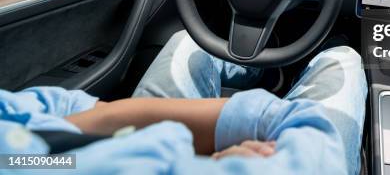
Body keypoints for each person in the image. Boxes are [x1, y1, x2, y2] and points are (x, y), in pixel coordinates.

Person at [0, 31, 367, 175]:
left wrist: (94, 123)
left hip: (126, 148)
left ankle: (265, 75)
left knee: (189, 41)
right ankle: (271, 77)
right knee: (343, 58)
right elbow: (310, 153)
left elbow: (54, 109)